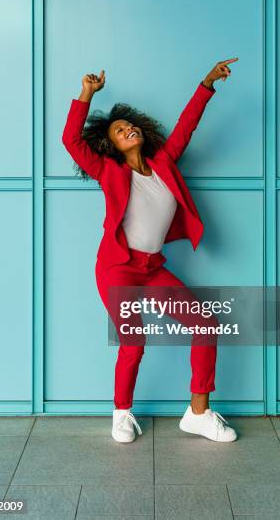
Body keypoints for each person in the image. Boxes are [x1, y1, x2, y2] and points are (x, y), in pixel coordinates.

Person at [62, 59, 239, 443]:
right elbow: (71, 142)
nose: (130, 129)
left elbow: (187, 126)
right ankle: (121, 414)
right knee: (133, 340)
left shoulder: (164, 164)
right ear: (112, 144)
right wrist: (86, 95)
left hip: (153, 268)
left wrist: (206, 83)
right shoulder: (108, 171)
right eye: (121, 130)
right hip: (117, 269)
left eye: (130, 125)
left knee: (205, 325)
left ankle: (199, 412)